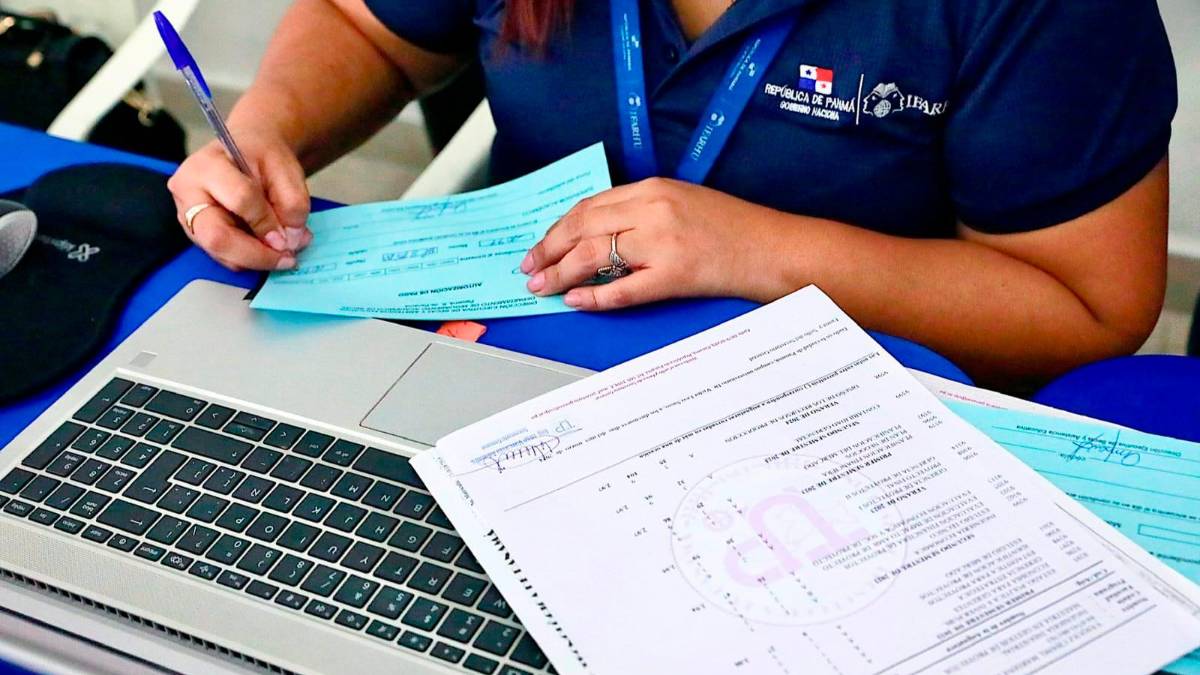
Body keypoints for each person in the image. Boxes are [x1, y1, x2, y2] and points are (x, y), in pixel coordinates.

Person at [167, 0, 1177, 389]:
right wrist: (270, 125)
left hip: (838, 422)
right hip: (504, 367)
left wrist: (763, 253)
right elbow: (370, 27)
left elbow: (1086, 305)